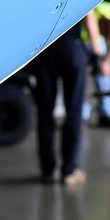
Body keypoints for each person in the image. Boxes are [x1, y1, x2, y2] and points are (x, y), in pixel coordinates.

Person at [33, 28, 93, 187]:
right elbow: (90, 21)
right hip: (71, 50)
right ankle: (69, 170)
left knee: (45, 112)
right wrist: (99, 56)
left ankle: (48, 170)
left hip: (45, 51)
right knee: (73, 111)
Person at [85, 0, 110, 128]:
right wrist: (96, 53)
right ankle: (81, 115)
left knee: (103, 76)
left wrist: (106, 62)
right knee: (80, 79)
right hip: (83, 39)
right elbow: (90, 26)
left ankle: (106, 115)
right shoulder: (95, 11)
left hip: (98, 40)